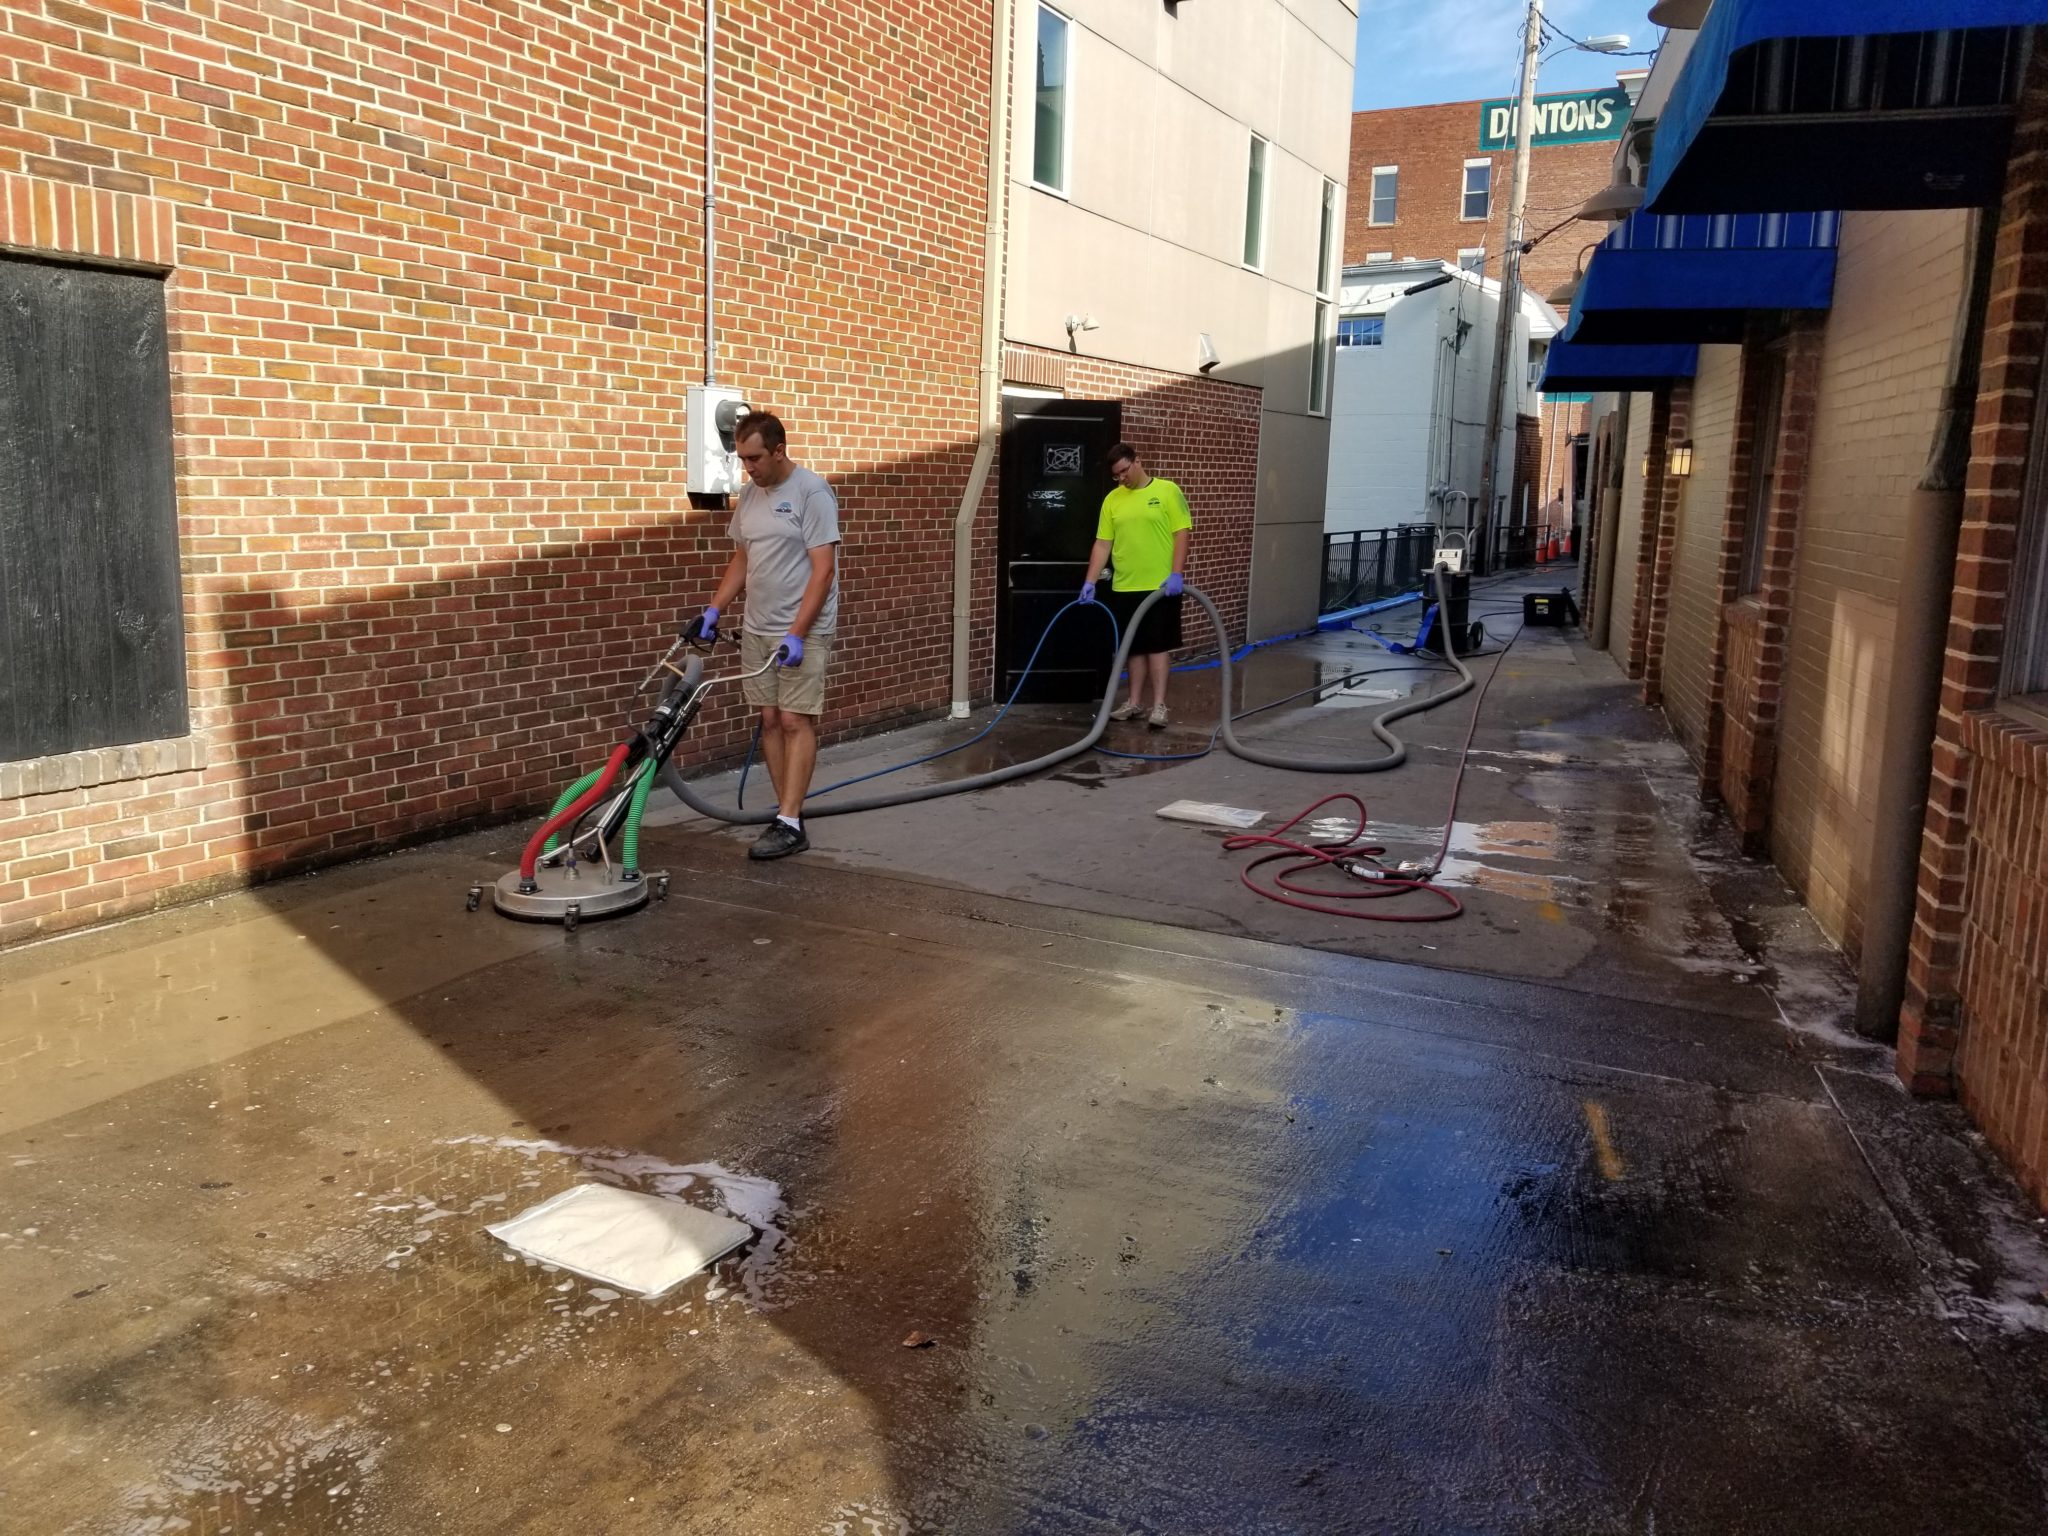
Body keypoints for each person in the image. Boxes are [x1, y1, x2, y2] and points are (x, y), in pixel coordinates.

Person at [688, 412, 839, 860]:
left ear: (778, 450)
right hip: (757, 626)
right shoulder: (751, 496)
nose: (747, 468)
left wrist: (797, 632)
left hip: (801, 630)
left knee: (795, 720)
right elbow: (742, 560)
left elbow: (823, 569)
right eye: (741, 460)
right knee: (770, 720)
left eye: (754, 458)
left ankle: (790, 822)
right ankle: (786, 814)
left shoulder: (812, 492)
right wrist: (715, 609)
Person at [1080, 443, 1191, 728]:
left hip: (1159, 587)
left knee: (1157, 646)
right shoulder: (1113, 500)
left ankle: (1159, 707)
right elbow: (1103, 543)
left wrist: (1176, 573)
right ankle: (1134, 703)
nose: (1121, 479)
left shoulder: (1167, 491)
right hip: (1124, 586)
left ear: (1137, 461)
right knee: (1133, 648)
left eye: (1124, 471)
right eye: (1116, 475)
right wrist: (1090, 581)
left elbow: (1181, 533)